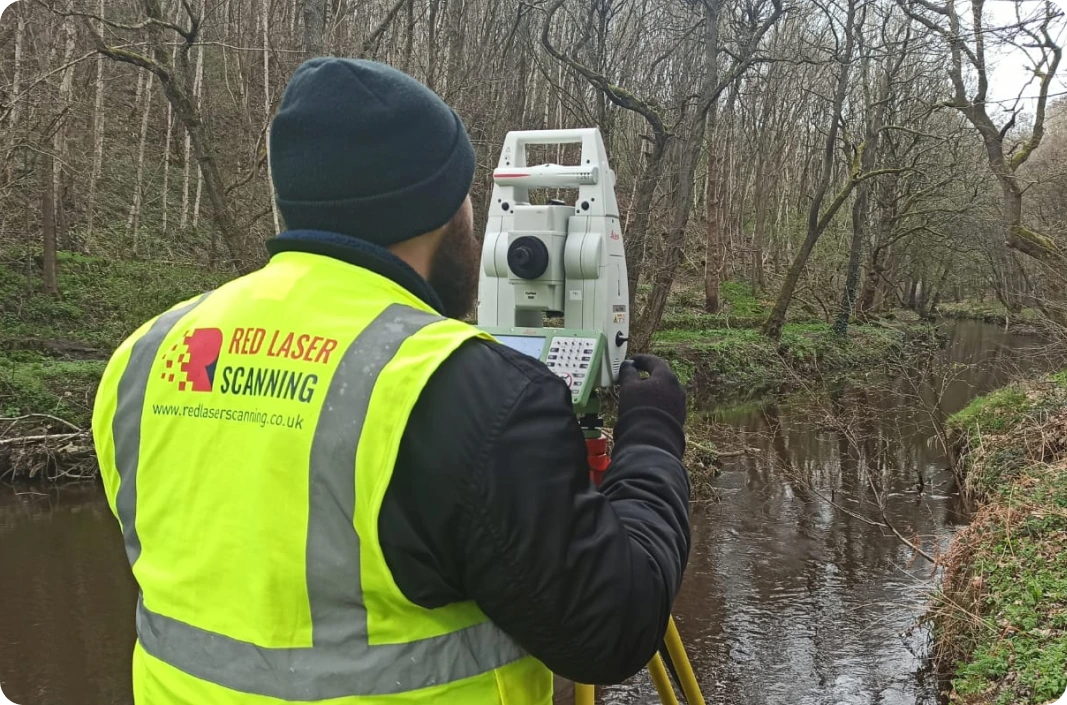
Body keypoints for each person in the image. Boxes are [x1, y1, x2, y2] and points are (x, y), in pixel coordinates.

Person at [91, 57, 691, 705]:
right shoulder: (464, 390)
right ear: (437, 211)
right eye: (466, 197)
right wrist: (652, 436)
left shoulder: (144, 358)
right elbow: (614, 628)